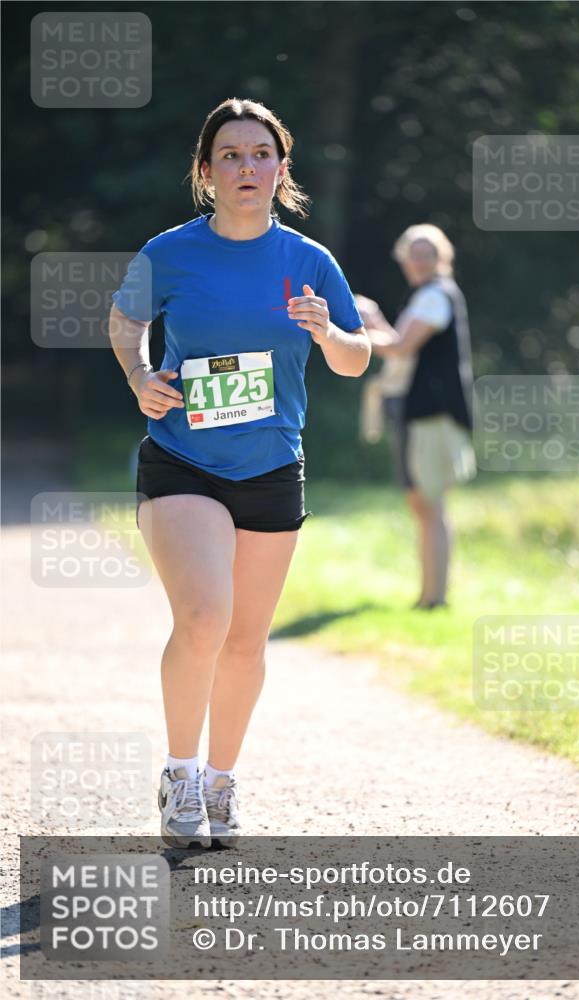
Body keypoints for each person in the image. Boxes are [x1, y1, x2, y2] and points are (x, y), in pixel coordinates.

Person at [109, 97, 370, 848]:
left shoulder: (308, 261)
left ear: (281, 170)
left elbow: (356, 360)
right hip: (182, 457)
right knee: (202, 618)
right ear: (206, 171)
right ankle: (180, 774)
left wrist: (327, 334)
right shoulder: (169, 252)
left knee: (247, 644)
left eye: (260, 154)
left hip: (270, 467)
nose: (246, 167)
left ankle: (222, 780)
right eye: (230, 155)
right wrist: (138, 373)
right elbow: (126, 320)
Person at [356, 224, 475, 610]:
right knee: (424, 506)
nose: (420, 262)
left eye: (428, 254)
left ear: (443, 258)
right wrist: (371, 323)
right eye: (414, 254)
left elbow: (400, 347)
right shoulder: (429, 297)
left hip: (431, 415)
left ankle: (434, 598)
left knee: (431, 504)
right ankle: (430, 596)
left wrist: (349, 332)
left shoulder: (434, 297)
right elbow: (401, 345)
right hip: (420, 413)